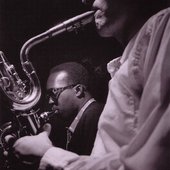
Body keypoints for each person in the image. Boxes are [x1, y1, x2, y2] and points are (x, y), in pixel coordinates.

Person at [12, 0, 170, 170]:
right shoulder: (122, 67)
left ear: (79, 90)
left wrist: (48, 153)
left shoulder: (165, 28)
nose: (85, 1)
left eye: (54, 93)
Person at [44, 62, 103, 155]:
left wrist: (48, 151)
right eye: (48, 95)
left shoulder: (95, 116)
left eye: (54, 92)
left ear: (78, 90)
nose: (50, 101)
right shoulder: (89, 116)